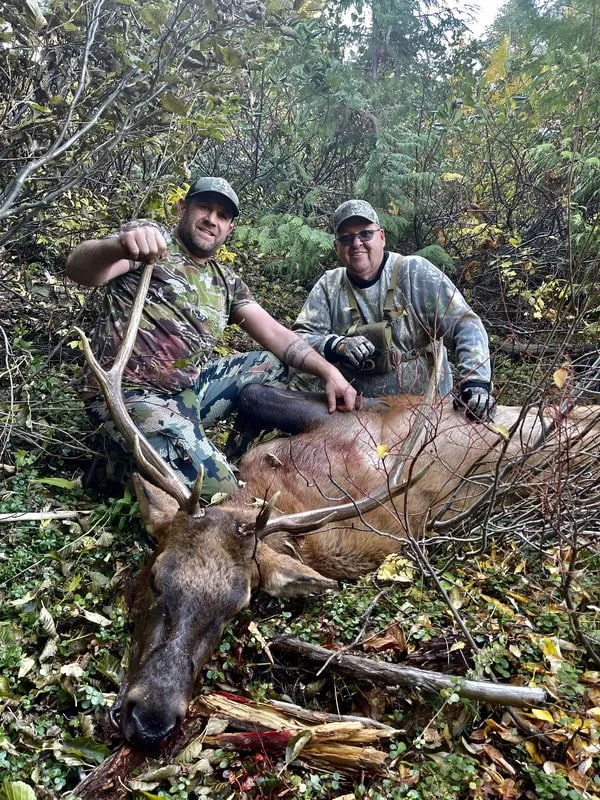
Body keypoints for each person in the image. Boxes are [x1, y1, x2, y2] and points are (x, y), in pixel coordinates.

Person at [66, 177, 357, 502]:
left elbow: (276, 334)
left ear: (229, 229)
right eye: (204, 207)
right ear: (183, 208)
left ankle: (229, 458)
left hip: (186, 393)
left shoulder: (227, 282)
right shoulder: (154, 242)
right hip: (128, 395)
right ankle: (141, 461)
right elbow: (80, 269)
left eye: (222, 215)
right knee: (224, 496)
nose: (211, 219)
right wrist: (118, 246)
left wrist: (329, 372)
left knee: (269, 364)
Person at [289, 199, 494, 421]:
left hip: (427, 409)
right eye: (346, 238)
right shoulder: (329, 286)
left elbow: (465, 325)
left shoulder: (415, 272)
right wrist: (337, 345)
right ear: (336, 246)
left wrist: (476, 383)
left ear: (382, 237)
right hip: (357, 415)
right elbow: (298, 341)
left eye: (365, 234)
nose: (356, 243)